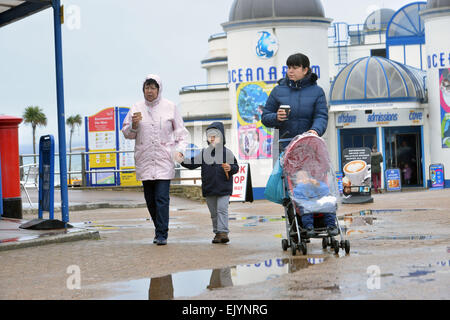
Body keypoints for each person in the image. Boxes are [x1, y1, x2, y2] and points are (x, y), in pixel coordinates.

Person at [261, 53, 334, 236]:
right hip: (286, 147)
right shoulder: (278, 91)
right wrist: (276, 117)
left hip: (310, 147)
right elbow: (265, 117)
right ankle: (296, 226)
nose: (290, 71)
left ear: (305, 69)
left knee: (316, 184)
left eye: (294, 67)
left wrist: (315, 131)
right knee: (290, 190)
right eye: (288, 67)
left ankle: (322, 220)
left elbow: (321, 116)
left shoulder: (317, 92)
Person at [122, 74, 189, 246]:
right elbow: (127, 134)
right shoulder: (136, 108)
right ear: (143, 89)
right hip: (144, 160)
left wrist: (179, 151)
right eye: (147, 87)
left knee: (162, 198)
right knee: (150, 200)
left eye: (153, 88)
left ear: (159, 89)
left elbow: (182, 134)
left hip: (164, 160)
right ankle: (158, 228)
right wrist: (134, 126)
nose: (149, 91)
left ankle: (161, 234)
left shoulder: (170, 107)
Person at [181, 122, 239, 244]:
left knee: (222, 209)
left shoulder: (227, 153)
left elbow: (236, 167)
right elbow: (191, 164)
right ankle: (217, 233)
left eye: (215, 136)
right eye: (209, 136)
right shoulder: (203, 153)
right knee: (213, 213)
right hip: (209, 188)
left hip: (224, 188)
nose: (212, 139)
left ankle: (223, 232)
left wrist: (231, 168)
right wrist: (181, 160)